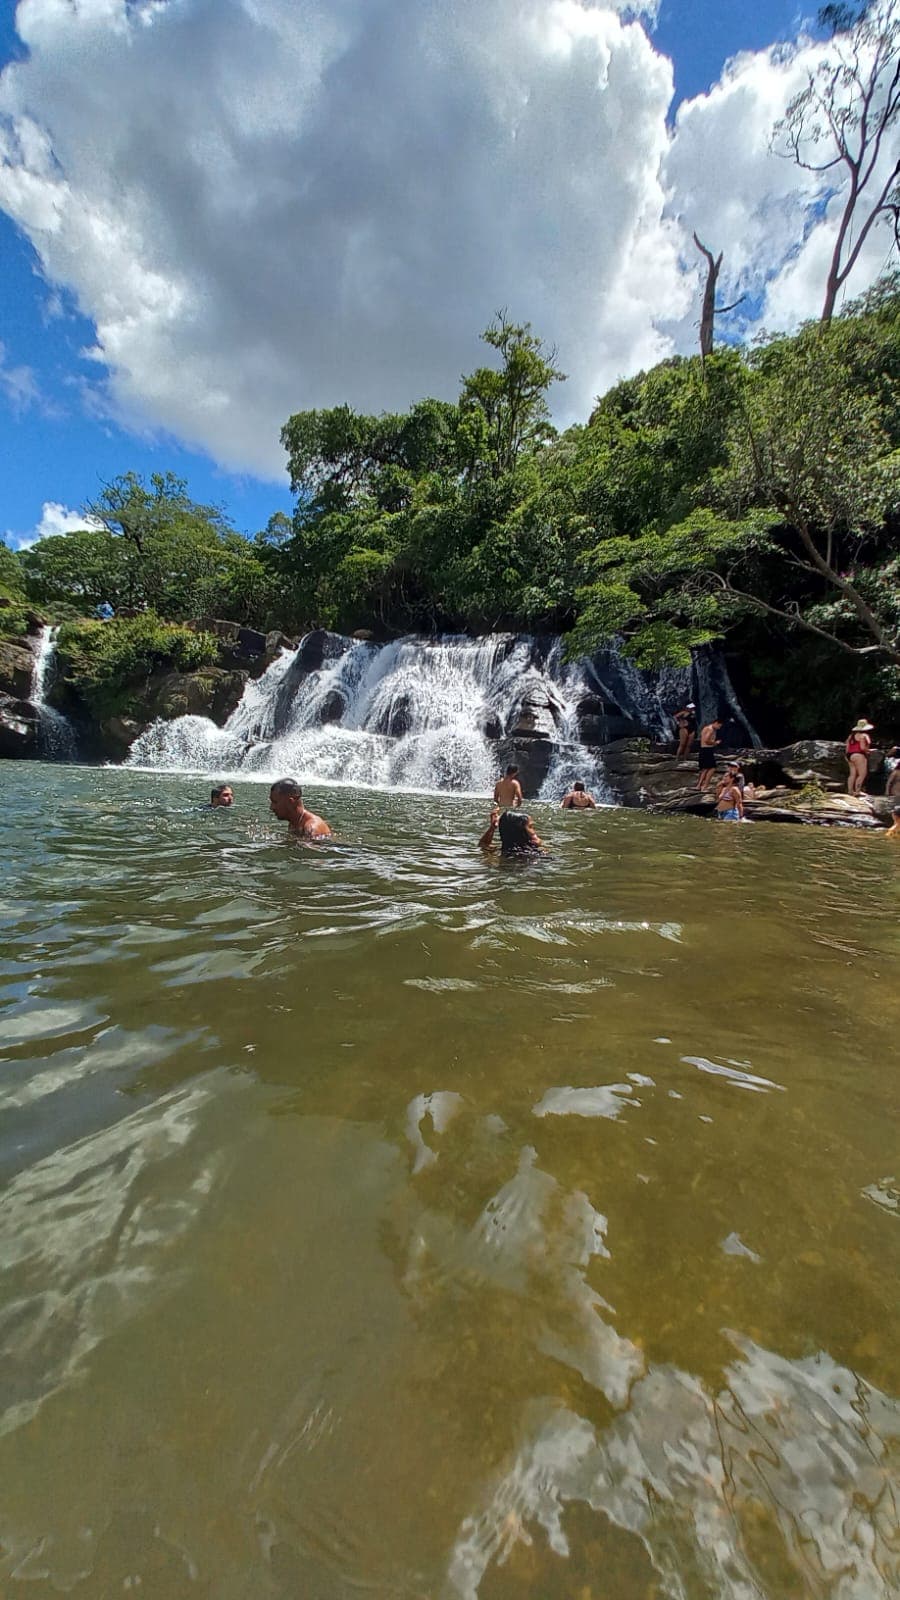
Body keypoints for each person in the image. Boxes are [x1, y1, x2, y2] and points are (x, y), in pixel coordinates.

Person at [479, 805, 545, 855]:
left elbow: (483, 845)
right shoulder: (538, 853)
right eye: (530, 826)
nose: (534, 830)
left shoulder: (501, 852)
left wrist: (492, 828)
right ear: (520, 831)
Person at [845, 719, 874, 796]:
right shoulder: (863, 736)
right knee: (862, 774)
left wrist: (847, 756)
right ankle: (857, 791)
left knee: (852, 774)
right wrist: (869, 751)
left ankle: (850, 791)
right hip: (859, 755)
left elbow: (847, 748)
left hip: (849, 755)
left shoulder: (851, 736)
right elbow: (862, 748)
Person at [695, 719, 723, 792]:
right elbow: (706, 740)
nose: (719, 728)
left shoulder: (706, 728)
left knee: (705, 769)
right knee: (712, 768)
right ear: (716, 723)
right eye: (719, 726)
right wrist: (715, 743)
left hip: (703, 749)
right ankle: (705, 786)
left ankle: (698, 786)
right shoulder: (710, 729)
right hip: (707, 750)